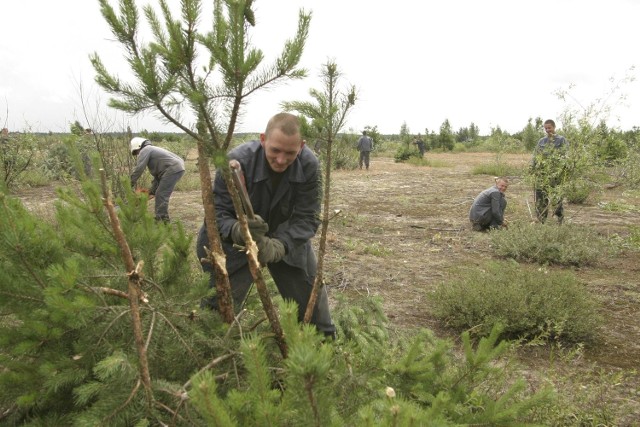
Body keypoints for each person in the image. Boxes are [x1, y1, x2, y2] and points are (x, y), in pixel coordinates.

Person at [196, 113, 336, 337]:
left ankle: (322, 360)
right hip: (233, 246)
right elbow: (217, 214)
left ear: (302, 146)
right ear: (263, 139)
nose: (281, 160)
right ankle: (213, 355)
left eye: (290, 153)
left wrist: (280, 245)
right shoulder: (236, 162)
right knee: (218, 315)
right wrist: (238, 231)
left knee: (316, 316)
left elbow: (307, 217)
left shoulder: (309, 165)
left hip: (288, 240)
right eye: (275, 151)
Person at [129, 137, 185, 223]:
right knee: (157, 192)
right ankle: (161, 217)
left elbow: (139, 168)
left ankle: (162, 220)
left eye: (136, 152)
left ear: (139, 146)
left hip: (172, 169)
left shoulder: (146, 149)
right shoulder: (152, 150)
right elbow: (158, 176)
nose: (138, 154)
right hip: (175, 168)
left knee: (161, 194)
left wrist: (130, 182)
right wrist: (152, 191)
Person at [530, 119, 569, 224]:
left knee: (556, 198)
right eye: (546, 128)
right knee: (541, 197)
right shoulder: (541, 141)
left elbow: (566, 155)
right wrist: (532, 167)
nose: (547, 130)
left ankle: (559, 219)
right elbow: (535, 155)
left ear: (554, 127)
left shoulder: (561, 140)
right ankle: (541, 219)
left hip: (556, 175)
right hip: (542, 174)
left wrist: (563, 168)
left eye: (549, 128)